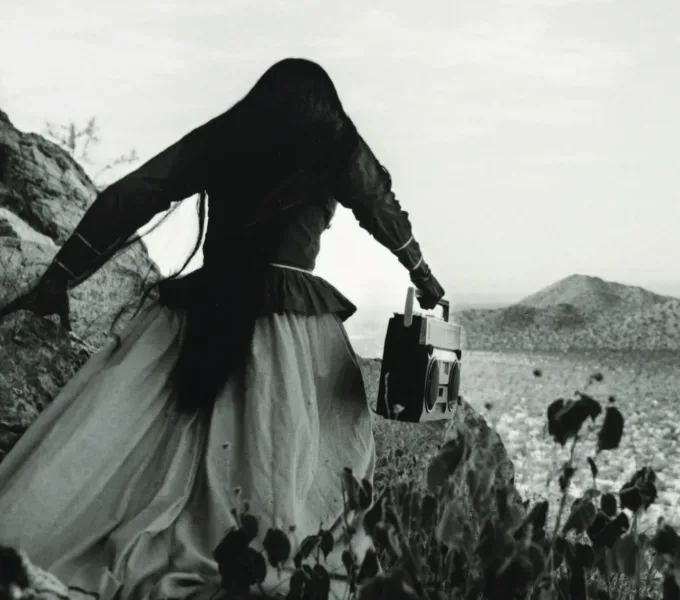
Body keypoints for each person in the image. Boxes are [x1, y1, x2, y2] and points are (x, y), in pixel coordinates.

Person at [0, 57, 445, 599]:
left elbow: (133, 194)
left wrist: (62, 277)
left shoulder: (229, 133)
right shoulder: (335, 142)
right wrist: (424, 278)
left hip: (201, 312)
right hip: (290, 329)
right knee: (294, 467)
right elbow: (382, 208)